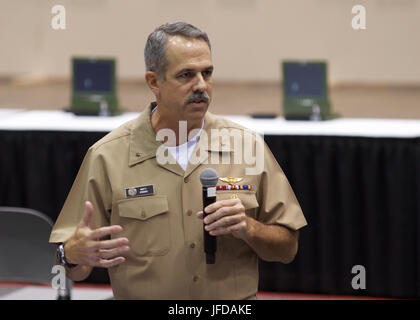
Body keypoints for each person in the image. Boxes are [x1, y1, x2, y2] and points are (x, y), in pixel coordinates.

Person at [49, 21, 307, 300]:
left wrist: (249, 228)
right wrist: (71, 255)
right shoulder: (107, 156)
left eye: (207, 73)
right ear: (153, 82)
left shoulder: (247, 146)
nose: (201, 85)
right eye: (186, 75)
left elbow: (287, 249)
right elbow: (75, 268)